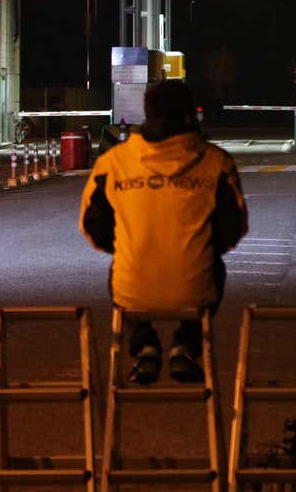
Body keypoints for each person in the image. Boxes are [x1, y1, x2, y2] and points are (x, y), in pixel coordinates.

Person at [80, 80, 248, 385]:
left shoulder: (112, 163)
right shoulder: (216, 163)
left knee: (122, 267)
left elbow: (91, 225)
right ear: (189, 115)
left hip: (132, 291)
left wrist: (126, 245)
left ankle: (143, 345)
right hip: (196, 290)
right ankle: (186, 345)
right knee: (214, 267)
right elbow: (233, 227)